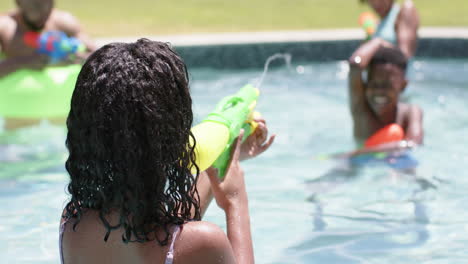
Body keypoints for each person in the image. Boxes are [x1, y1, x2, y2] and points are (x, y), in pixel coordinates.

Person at [60, 39, 275, 264]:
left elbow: (164, 233)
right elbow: (179, 241)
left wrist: (221, 160)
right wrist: (234, 200)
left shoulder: (72, 224)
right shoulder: (205, 243)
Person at [347, 37, 423, 155]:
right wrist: (377, 41)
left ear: (403, 85)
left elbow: (414, 144)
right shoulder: (361, 109)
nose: (379, 92)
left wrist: (361, 153)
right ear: (366, 85)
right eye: (374, 84)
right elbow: (355, 65)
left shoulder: (410, 113)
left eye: (387, 86)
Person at [0, 0, 96, 77]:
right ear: (18, 2)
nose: (41, 9)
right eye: (33, 3)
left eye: (45, 2)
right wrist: (22, 62)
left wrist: (78, 58)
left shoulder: (64, 22)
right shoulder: (5, 27)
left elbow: (100, 57)